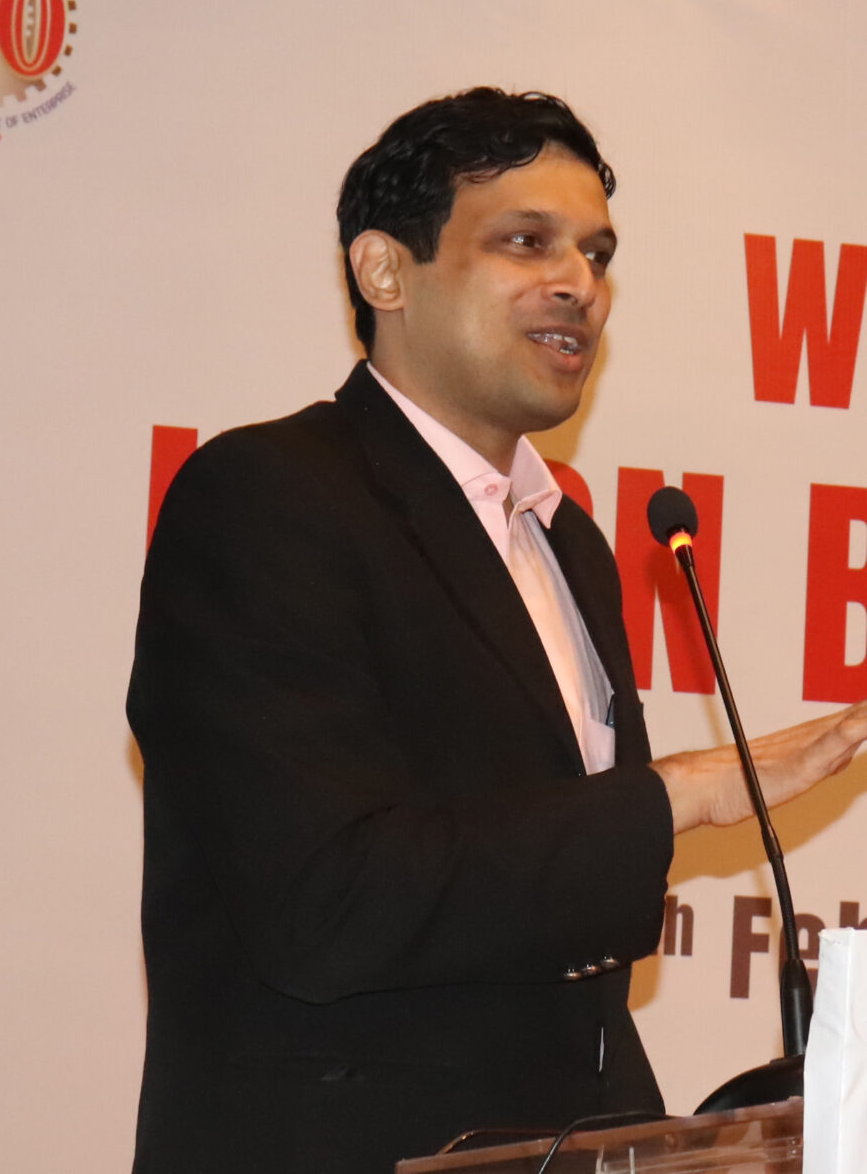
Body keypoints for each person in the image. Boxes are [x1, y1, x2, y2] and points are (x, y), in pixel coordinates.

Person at [128, 87, 867, 1172]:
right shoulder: (267, 496)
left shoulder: (570, 544)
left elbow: (555, 929)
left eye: (597, 254)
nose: (579, 283)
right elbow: (322, 898)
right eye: (527, 241)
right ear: (385, 271)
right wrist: (675, 793)